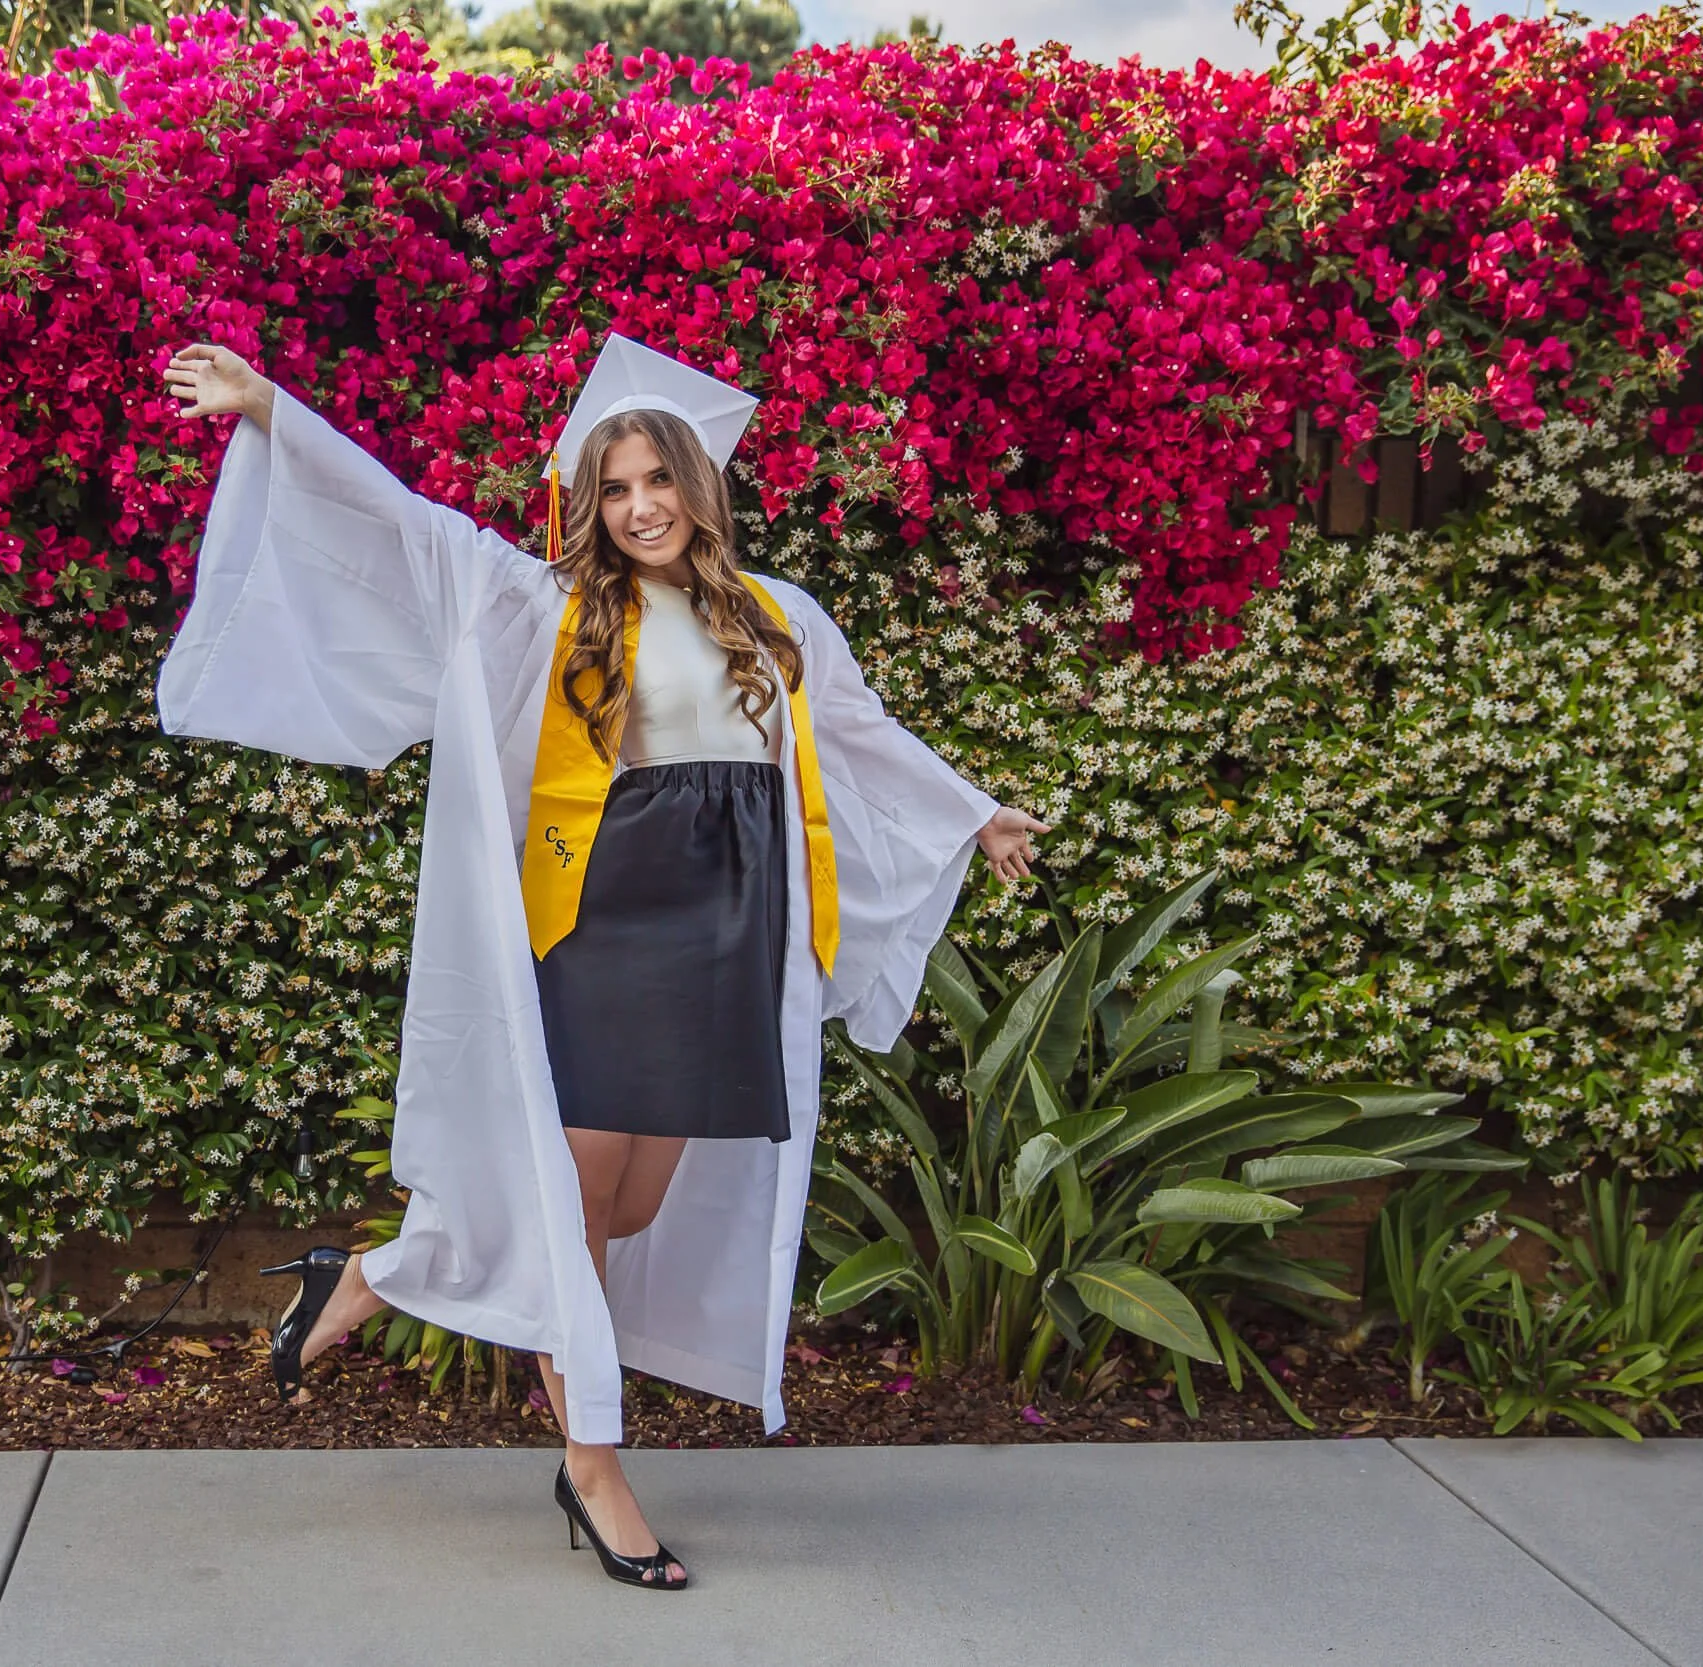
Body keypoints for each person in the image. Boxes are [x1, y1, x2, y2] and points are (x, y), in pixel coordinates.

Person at [156, 333, 1051, 1590]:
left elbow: (853, 735)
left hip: (726, 941)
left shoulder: (780, 617)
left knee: (627, 1211)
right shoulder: (551, 605)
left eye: (655, 481)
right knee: (573, 1218)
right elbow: (403, 527)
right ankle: (595, 1468)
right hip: (600, 927)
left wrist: (972, 811)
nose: (637, 507)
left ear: (697, 484)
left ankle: (367, 1269)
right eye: (611, 487)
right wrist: (273, 412)